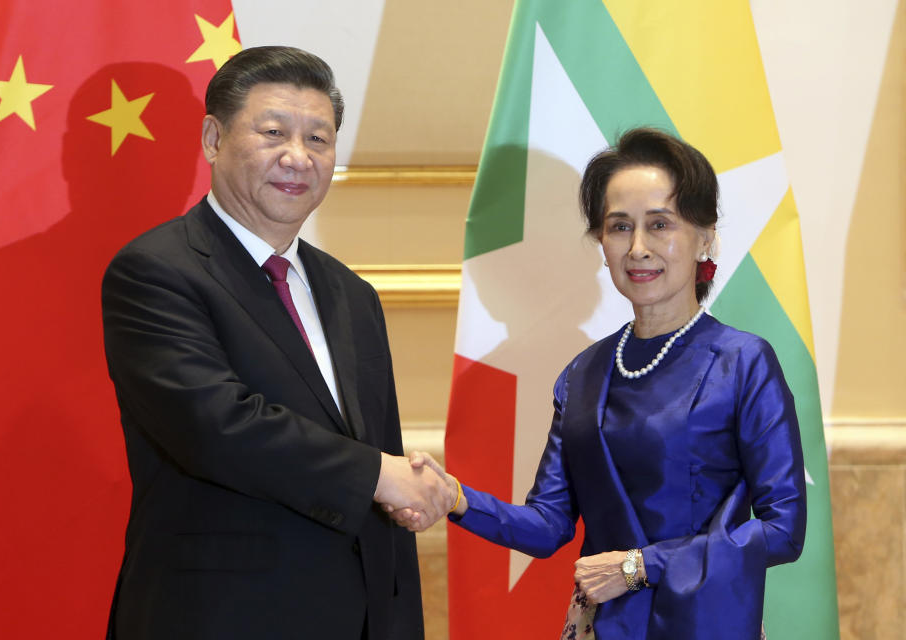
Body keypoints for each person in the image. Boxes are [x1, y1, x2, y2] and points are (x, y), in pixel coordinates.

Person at [101, 46, 453, 640]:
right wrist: (377, 474)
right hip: (217, 616)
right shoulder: (156, 271)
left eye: (318, 139)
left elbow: (381, 463)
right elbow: (216, 427)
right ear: (213, 139)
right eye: (273, 132)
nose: (298, 157)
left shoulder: (351, 293)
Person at [399, 128, 807, 639]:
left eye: (660, 224)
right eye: (619, 227)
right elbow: (549, 526)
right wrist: (457, 497)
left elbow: (782, 529)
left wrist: (639, 567)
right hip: (601, 627)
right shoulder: (584, 374)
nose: (638, 248)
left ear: (704, 236)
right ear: (601, 241)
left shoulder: (743, 362)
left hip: (706, 624)